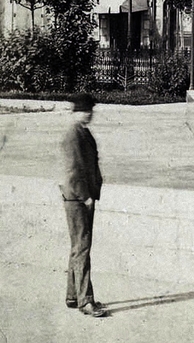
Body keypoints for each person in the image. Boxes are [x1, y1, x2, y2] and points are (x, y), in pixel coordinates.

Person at [59, 93, 105, 318]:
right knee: (83, 248)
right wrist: (86, 196)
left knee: (78, 247)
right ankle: (85, 301)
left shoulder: (81, 132)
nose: (90, 114)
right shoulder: (72, 135)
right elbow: (73, 170)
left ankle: (72, 295)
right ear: (76, 112)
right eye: (86, 110)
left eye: (91, 110)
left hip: (82, 197)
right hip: (78, 198)